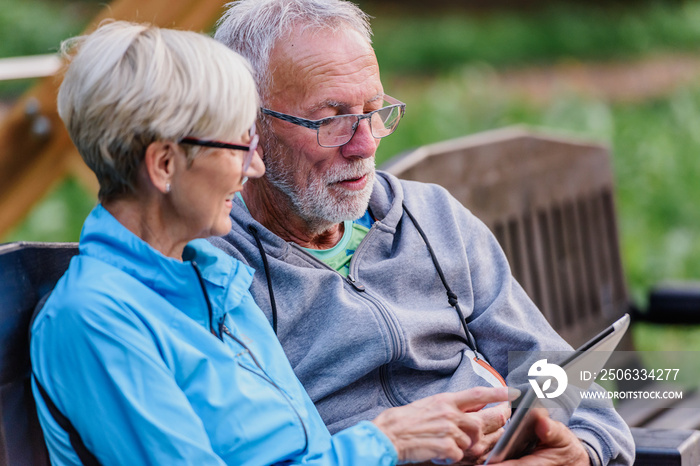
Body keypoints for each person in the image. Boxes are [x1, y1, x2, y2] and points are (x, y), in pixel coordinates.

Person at [29, 20, 519, 466]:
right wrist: (386, 440)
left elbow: (305, 451)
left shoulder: (209, 275)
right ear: (163, 165)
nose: (255, 166)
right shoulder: (94, 319)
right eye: (240, 144)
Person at [211, 1, 635, 465]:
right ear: (247, 124)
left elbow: (560, 379)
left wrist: (580, 452)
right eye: (331, 119)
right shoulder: (213, 269)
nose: (366, 142)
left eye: (374, 110)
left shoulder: (431, 216)